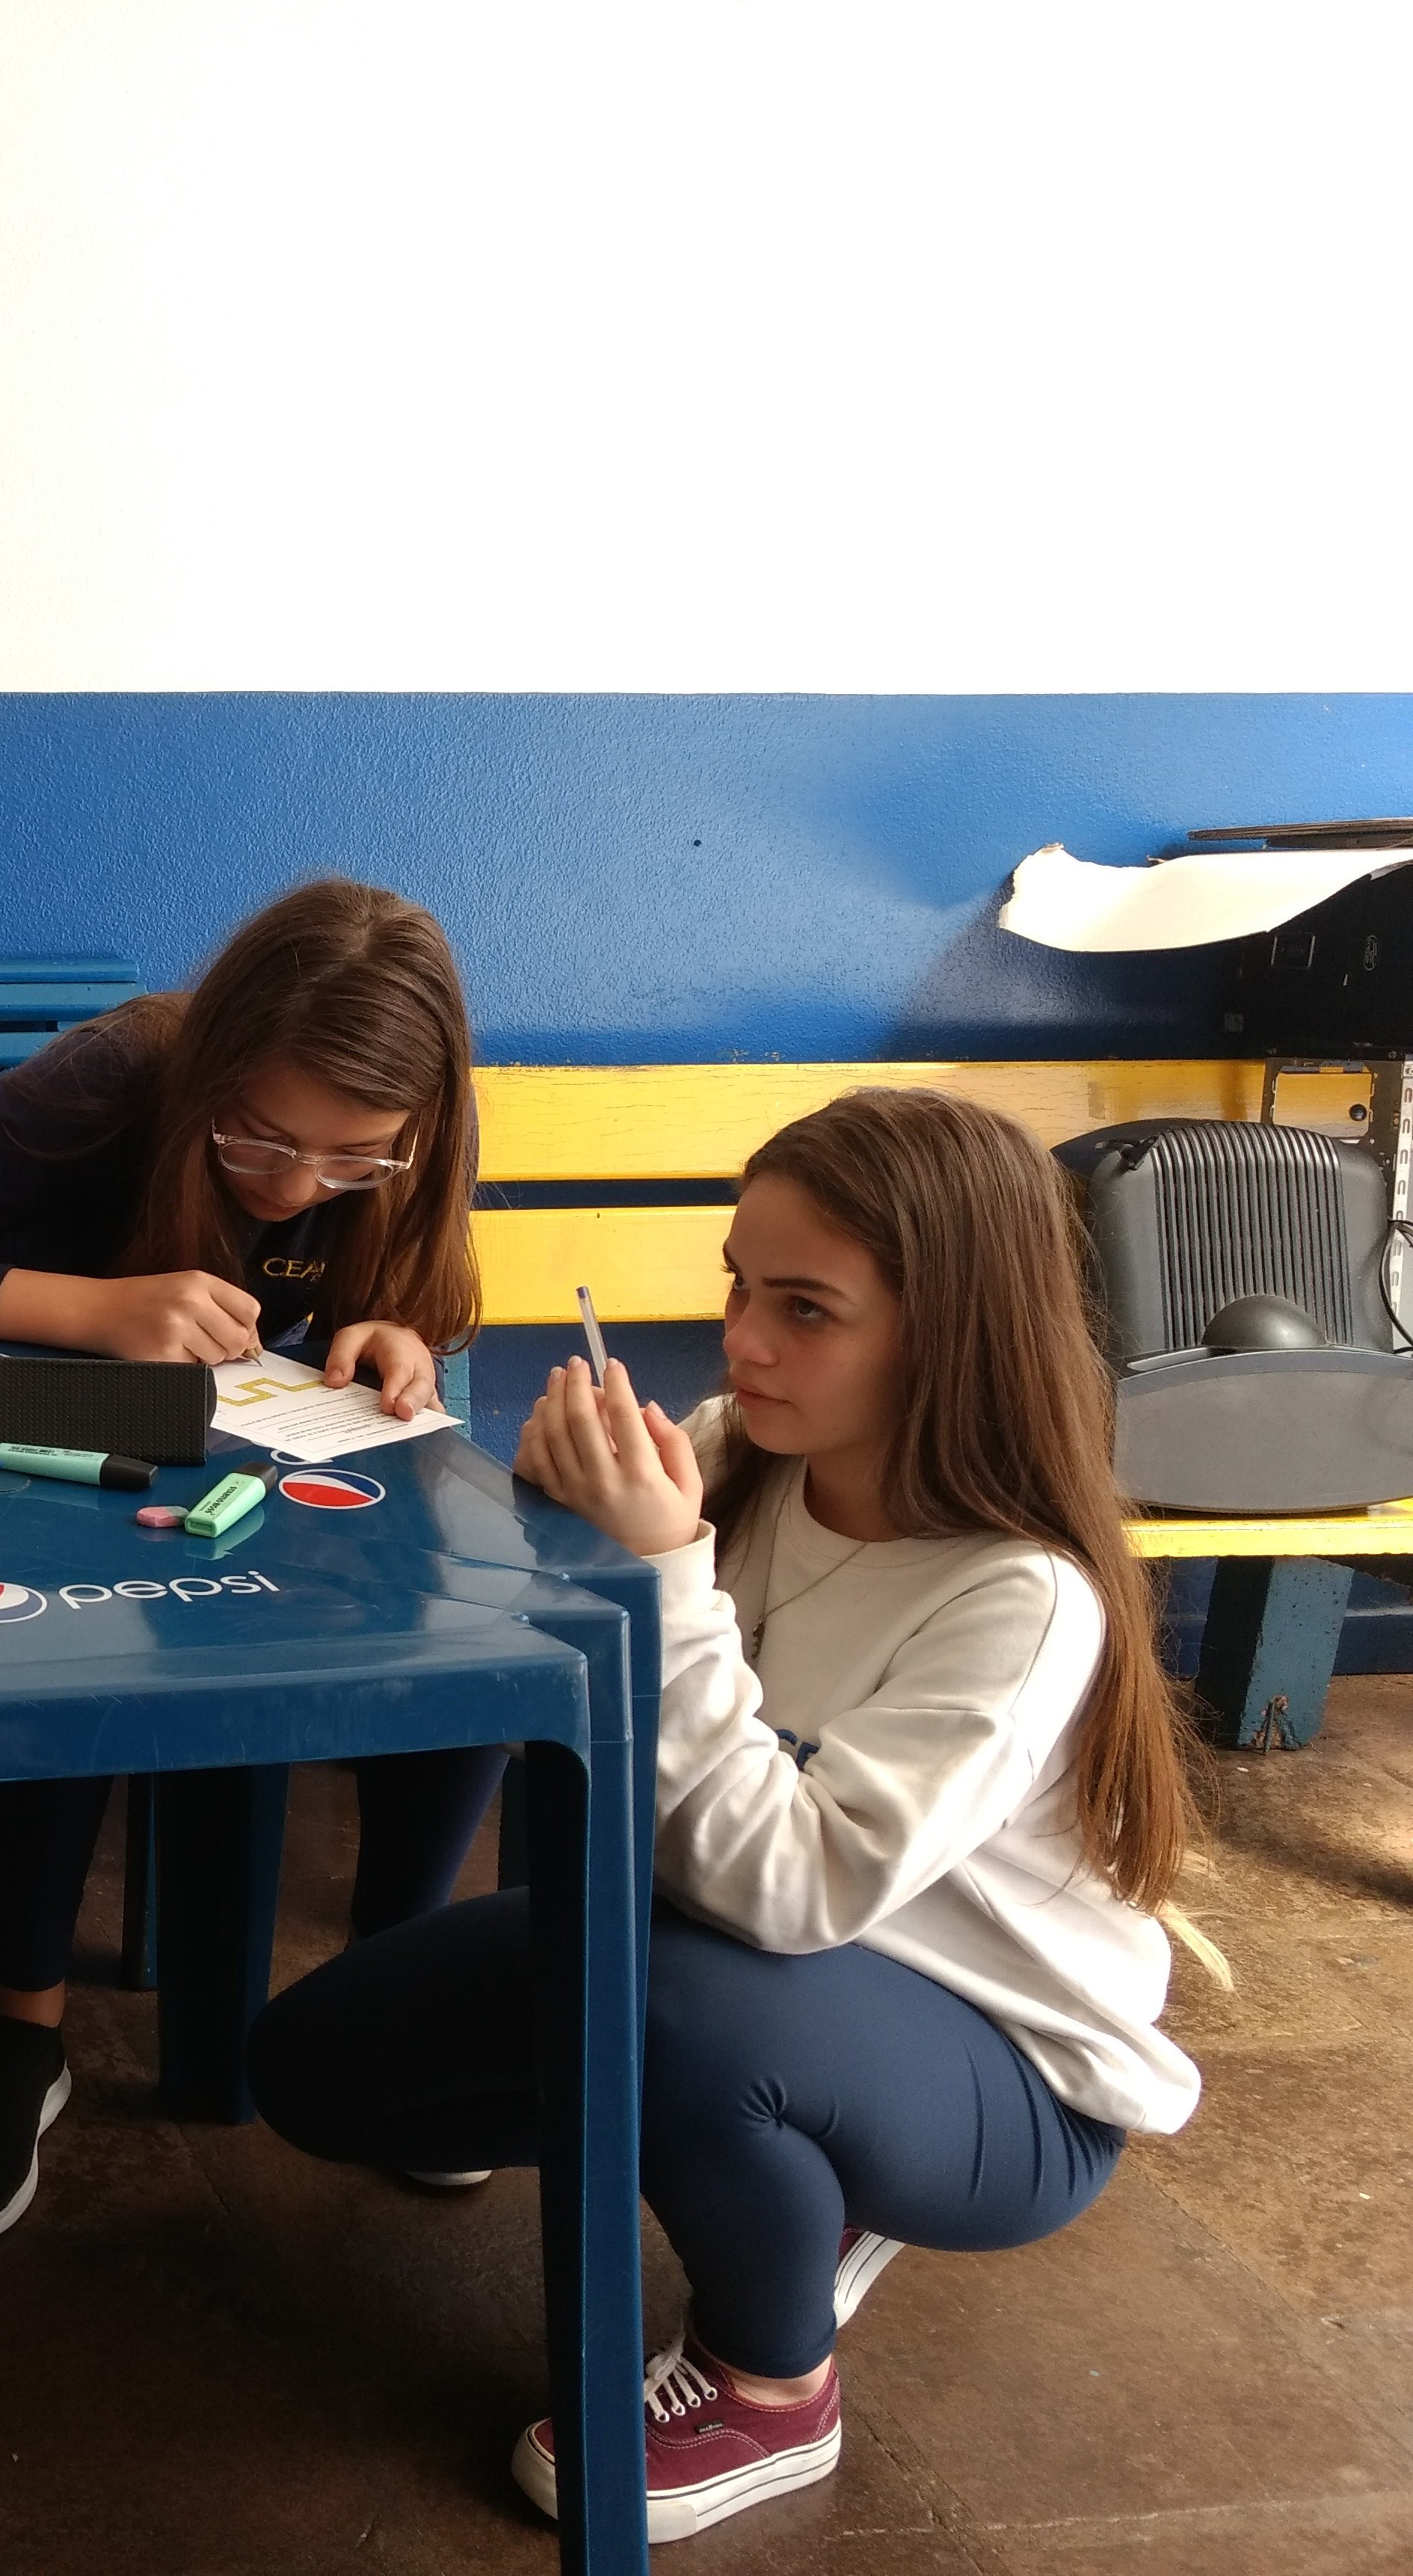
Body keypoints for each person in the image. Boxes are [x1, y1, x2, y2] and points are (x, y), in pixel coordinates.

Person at [247, 1087, 1204, 2545]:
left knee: (675, 2018)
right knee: (309, 2072)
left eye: (805, 1309)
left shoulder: (1017, 1597)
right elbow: (594, 1709)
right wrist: (559, 1516)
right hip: (747, 1967)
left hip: (1005, 2073)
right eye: (739, 1286)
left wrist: (662, 1570)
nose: (744, 1339)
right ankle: (790, 2168)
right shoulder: (742, 1454)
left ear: (951, 1332)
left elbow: (791, 1892)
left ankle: (774, 2381)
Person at [0, 879, 493, 2272]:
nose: (295, 1189)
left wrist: (401, 1337)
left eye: (352, 1162)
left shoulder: (410, 1145)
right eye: (261, 1139)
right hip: (49, 1441)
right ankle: (23, 2027)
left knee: (468, 1598)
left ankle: (404, 1990)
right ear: (215, 1071)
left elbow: (418, 1310)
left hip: (244, 1472)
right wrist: (91, 1310)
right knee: (68, 1618)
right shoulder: (118, 1075)